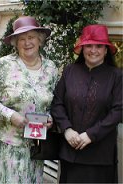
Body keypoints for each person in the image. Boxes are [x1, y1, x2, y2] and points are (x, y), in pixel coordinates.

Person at [0, 16, 58, 183]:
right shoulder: (4, 65)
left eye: (31, 37)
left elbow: (54, 104)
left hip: (36, 145)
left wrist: (50, 119)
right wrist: (11, 115)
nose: (27, 43)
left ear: (40, 41)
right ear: (15, 43)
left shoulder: (51, 68)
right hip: (8, 143)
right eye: (21, 39)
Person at [51, 24, 122, 183]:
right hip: (70, 152)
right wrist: (66, 129)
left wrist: (91, 135)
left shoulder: (116, 76)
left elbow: (119, 110)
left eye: (99, 46)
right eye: (88, 45)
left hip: (100, 156)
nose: (93, 50)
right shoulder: (70, 71)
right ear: (82, 48)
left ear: (106, 50)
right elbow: (57, 102)